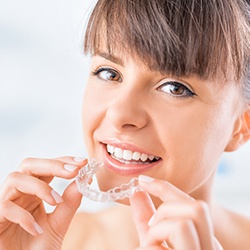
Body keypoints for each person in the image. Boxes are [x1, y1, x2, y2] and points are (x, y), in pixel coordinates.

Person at [0, 0, 250, 249]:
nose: (119, 114)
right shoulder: (42, 239)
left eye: (175, 88)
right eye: (109, 73)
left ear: (241, 127)